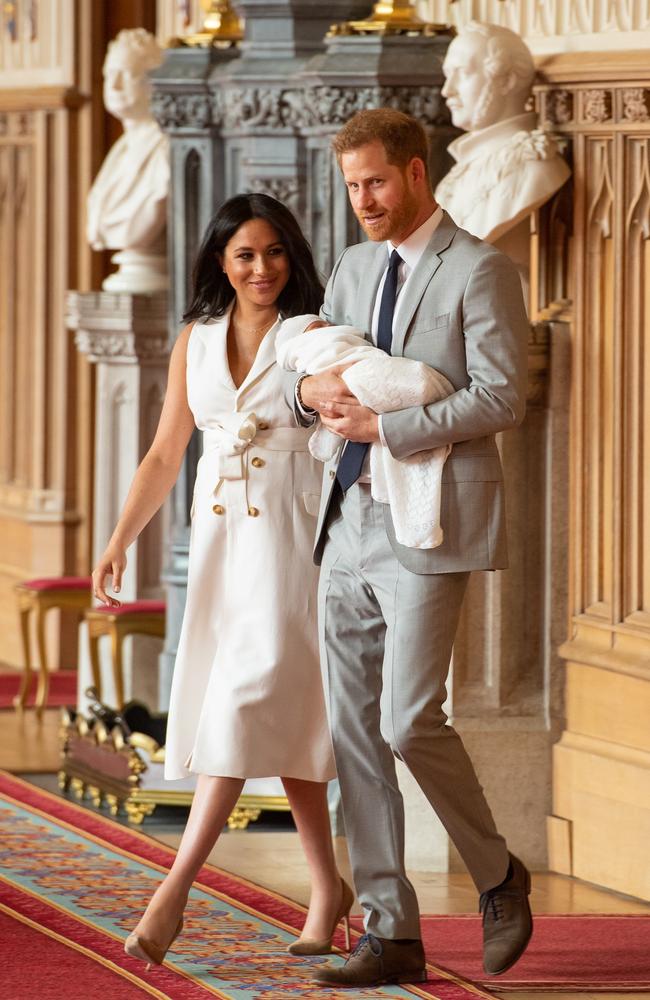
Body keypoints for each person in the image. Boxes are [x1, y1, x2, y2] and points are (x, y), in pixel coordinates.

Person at [285, 109, 533, 984]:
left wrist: (391, 428)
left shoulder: (482, 270)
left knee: (404, 719)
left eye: (377, 183)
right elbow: (312, 368)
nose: (364, 202)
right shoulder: (353, 267)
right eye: (353, 187)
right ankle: (391, 931)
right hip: (346, 518)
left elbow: (502, 399)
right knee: (352, 733)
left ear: (417, 173)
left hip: (428, 525)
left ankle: (499, 875)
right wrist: (305, 388)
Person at [92, 193, 353, 969]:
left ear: (291, 257)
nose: (262, 267)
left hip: (289, 545)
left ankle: (172, 890)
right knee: (278, 717)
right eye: (244, 254)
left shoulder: (310, 335)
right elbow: (166, 452)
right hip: (219, 548)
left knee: (246, 705)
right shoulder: (196, 339)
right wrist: (119, 540)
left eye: (275, 252)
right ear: (219, 262)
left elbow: (344, 421)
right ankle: (327, 889)